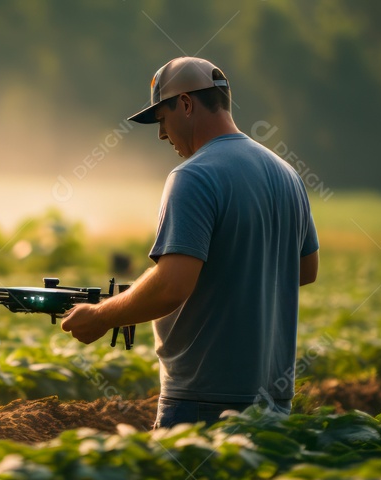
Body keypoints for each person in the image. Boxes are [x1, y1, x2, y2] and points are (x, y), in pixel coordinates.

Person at [60, 57, 319, 429]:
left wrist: (102, 315)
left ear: (185, 104)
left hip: (204, 400)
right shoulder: (287, 174)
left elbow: (171, 287)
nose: (162, 134)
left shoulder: (193, 176)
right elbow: (305, 270)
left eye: (162, 120)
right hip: (274, 402)